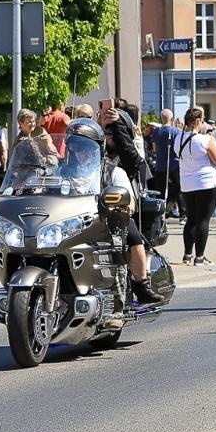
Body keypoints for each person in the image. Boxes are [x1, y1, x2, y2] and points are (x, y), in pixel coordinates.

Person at [75, 117, 161, 304]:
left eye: (85, 148)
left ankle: (141, 283)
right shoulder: (61, 170)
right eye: (76, 147)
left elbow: (128, 201)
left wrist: (121, 206)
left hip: (106, 219)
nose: (81, 152)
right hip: (72, 220)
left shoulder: (112, 170)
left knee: (133, 235)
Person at [174, 107, 216, 266]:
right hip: (206, 183)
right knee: (203, 220)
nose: (203, 124)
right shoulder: (205, 140)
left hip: (187, 184)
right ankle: (200, 257)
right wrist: (211, 140)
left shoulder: (178, 138)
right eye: (202, 121)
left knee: (191, 219)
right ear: (197, 122)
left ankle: (187, 254)